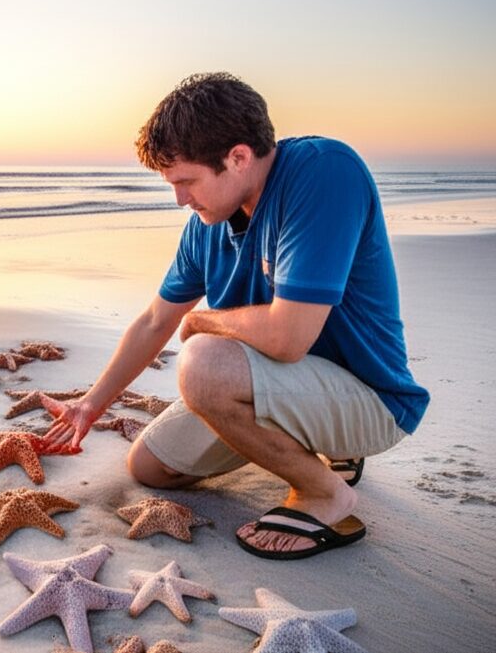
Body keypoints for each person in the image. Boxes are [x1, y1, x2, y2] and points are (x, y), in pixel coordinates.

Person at [41, 72, 430, 560]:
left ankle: (324, 491)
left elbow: (288, 338)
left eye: (186, 181)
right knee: (150, 467)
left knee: (204, 362)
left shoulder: (325, 172)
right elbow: (155, 321)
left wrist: (206, 322)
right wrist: (90, 405)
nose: (180, 198)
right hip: (288, 388)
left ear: (238, 157)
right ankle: (307, 449)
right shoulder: (207, 224)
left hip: (371, 400)